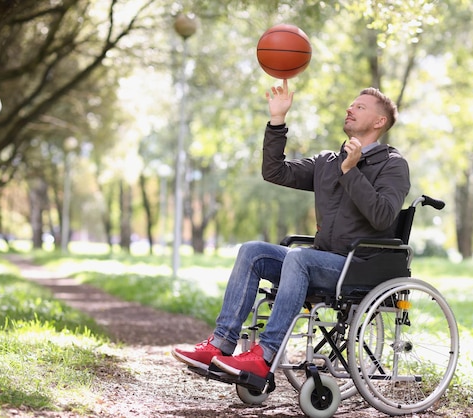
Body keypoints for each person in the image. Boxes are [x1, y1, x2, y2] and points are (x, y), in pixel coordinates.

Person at [173, 79, 410, 379]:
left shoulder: (392, 164)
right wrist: (277, 121)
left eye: (359, 106)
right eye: (351, 104)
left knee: (300, 257)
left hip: (359, 267)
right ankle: (220, 345)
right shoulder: (327, 161)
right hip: (322, 261)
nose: (350, 108)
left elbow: (382, 216)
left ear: (379, 121)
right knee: (252, 252)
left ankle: (265, 355)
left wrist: (351, 171)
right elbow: (274, 171)